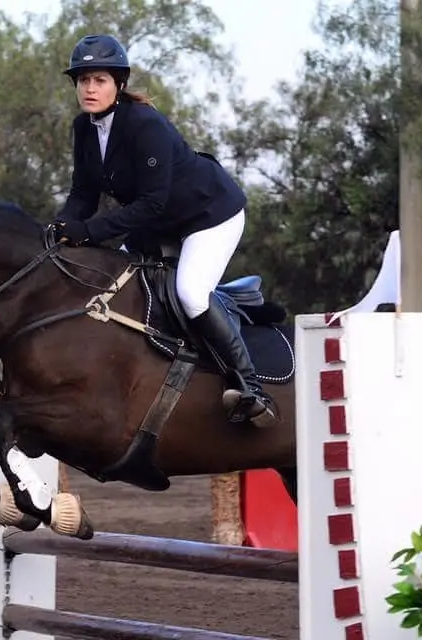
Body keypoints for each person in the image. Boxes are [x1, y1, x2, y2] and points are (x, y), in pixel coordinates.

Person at [50, 34, 279, 429]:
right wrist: (57, 231)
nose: (89, 88)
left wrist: (87, 232)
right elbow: (83, 194)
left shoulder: (144, 124)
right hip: (158, 222)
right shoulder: (84, 128)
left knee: (190, 293)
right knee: (111, 285)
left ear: (118, 84)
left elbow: (150, 203)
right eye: (83, 80)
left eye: (99, 80)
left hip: (209, 215)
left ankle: (251, 387)